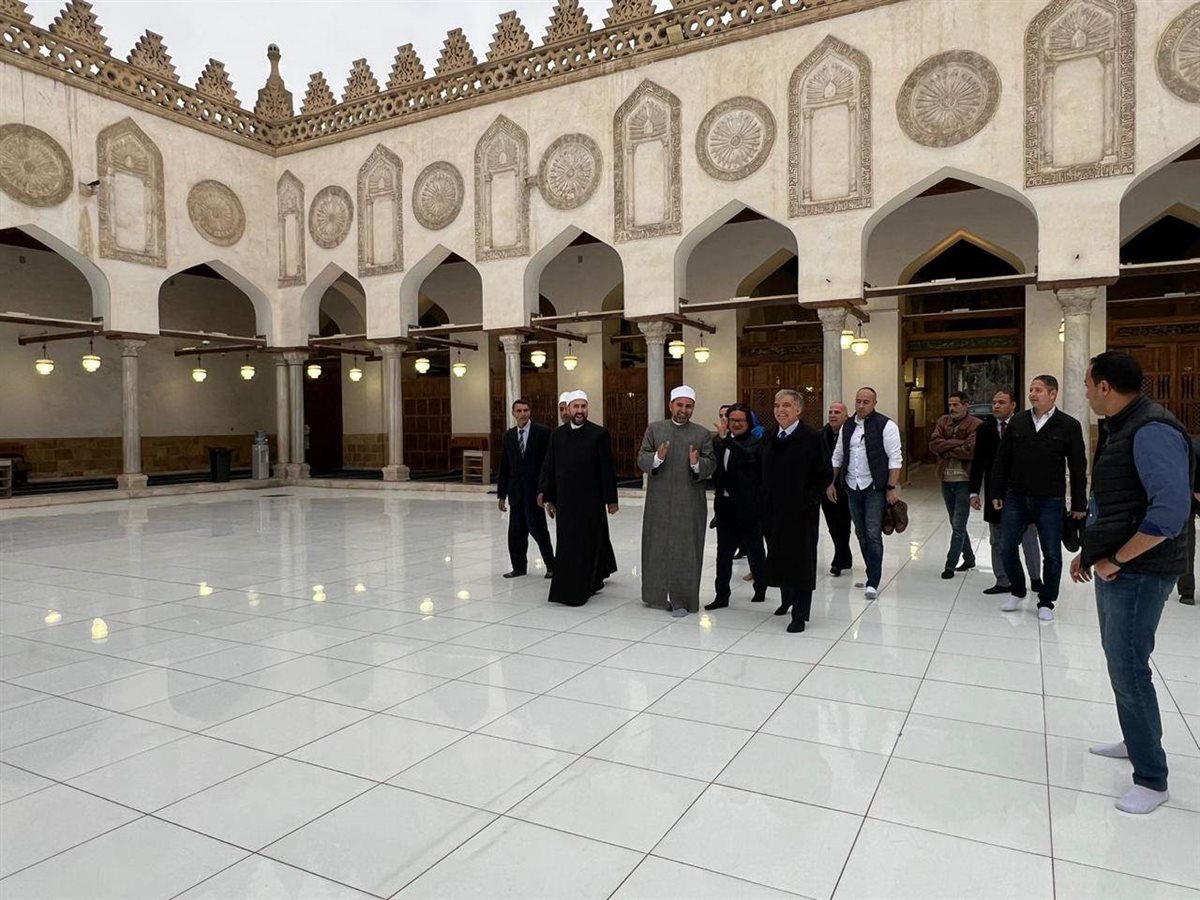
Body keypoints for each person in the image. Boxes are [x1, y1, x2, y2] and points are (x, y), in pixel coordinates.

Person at [1071, 351, 1194, 815]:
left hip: (1140, 570)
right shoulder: (1122, 426)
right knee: (1121, 661)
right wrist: (1091, 552)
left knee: (1129, 667)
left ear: (1105, 386)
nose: (1085, 392)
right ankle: (1136, 738)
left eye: (1088, 384)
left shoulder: (1151, 430)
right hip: (1118, 563)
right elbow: (1117, 504)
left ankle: (1151, 778)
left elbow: (1169, 514)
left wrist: (1116, 559)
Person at [991, 374, 1087, 621]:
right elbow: (1002, 459)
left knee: (1052, 553)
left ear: (1053, 394)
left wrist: (1079, 503)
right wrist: (996, 491)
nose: (1032, 394)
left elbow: (1078, 466)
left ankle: (1046, 601)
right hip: (1016, 496)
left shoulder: (1069, 425)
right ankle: (1017, 590)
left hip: (1050, 500)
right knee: (1006, 546)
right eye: (1031, 389)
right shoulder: (1018, 422)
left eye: (1038, 390)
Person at [636, 385, 716, 617]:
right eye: (679, 405)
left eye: (688, 406)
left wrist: (696, 463)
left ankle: (683, 599)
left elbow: (711, 463)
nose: (683, 410)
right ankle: (655, 595)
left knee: (686, 551)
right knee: (657, 546)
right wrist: (657, 458)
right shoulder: (655, 429)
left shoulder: (702, 434)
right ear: (671, 405)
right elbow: (642, 457)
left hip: (689, 504)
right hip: (659, 502)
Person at [762, 389, 831, 632]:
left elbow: (824, 474)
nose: (780, 410)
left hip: (801, 513)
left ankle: (800, 614)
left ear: (799, 409)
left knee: (802, 562)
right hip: (773, 511)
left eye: (786, 405)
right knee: (780, 556)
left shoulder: (812, 437)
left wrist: (808, 499)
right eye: (777, 405)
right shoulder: (769, 437)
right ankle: (786, 600)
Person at [541, 391, 619, 606]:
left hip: (591, 501)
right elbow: (551, 466)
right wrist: (549, 497)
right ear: (568, 409)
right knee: (566, 545)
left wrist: (611, 500)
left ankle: (586, 587)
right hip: (566, 501)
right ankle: (566, 590)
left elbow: (607, 470)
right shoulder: (557, 435)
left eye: (583, 406)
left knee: (587, 545)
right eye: (575, 406)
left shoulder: (598, 434)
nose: (580, 411)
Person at [828, 387, 903, 600]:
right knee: (860, 533)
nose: (861, 405)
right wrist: (830, 482)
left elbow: (895, 458)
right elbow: (838, 455)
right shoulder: (848, 426)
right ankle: (871, 572)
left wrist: (891, 487)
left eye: (866, 402)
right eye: (858, 401)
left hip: (874, 488)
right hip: (852, 486)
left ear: (874, 403)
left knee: (872, 533)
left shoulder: (886, 425)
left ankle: (873, 581)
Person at [970, 391, 1044, 596]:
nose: (996, 406)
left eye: (1001, 402)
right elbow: (978, 461)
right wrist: (973, 492)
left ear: (1013, 405)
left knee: (1028, 537)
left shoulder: (1026, 425)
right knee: (997, 539)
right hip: (995, 491)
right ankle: (1002, 580)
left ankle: (1035, 578)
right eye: (994, 402)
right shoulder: (985, 429)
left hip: (1022, 492)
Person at [707, 403, 767, 610]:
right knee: (723, 553)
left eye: (741, 420)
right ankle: (721, 595)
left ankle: (760, 587)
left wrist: (727, 441)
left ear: (748, 422)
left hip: (749, 506)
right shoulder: (719, 441)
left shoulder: (756, 441)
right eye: (732, 420)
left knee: (755, 551)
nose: (736, 424)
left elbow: (748, 457)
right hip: (724, 505)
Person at [497, 398, 554, 580]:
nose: (523, 414)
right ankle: (518, 567)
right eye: (519, 411)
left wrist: (546, 491)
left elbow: (548, 464)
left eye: (526, 410)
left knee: (539, 530)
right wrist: (501, 495)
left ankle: (551, 566)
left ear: (530, 412)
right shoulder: (509, 436)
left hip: (534, 492)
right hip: (516, 493)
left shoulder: (542, 432)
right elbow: (505, 467)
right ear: (513, 413)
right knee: (515, 533)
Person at [929, 392, 981, 579]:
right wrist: (958, 443)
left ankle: (950, 565)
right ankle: (969, 559)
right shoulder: (943, 421)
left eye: (956, 404)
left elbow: (970, 450)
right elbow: (934, 444)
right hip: (946, 479)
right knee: (955, 522)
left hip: (964, 481)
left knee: (958, 525)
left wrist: (946, 447)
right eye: (950, 404)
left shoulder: (976, 424)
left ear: (966, 405)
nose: (952, 408)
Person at [820, 402, 854, 576]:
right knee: (832, 524)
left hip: (846, 485)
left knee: (843, 522)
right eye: (830, 412)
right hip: (826, 485)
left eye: (837, 412)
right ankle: (844, 555)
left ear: (846, 417)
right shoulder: (821, 434)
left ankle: (839, 559)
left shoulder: (852, 433)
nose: (833, 415)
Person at [1177, 434, 1199, 605]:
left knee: (1186, 543)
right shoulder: (1193, 445)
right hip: (1188, 494)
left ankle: (1186, 592)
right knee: (1186, 543)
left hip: (1185, 493)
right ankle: (1186, 592)